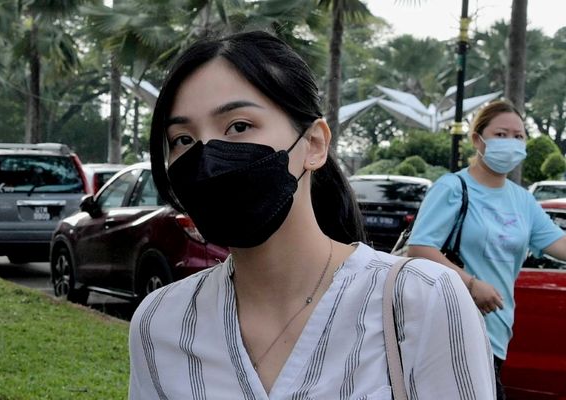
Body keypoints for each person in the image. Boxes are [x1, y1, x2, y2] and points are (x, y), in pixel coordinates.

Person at [129, 30, 495, 399]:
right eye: (183, 139)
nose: (207, 158)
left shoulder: (422, 299)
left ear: (315, 145)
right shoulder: (160, 322)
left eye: (239, 126)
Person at [407, 99, 566, 400]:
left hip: (497, 331)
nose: (511, 143)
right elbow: (419, 248)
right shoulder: (453, 187)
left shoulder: (523, 200)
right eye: (501, 135)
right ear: (477, 139)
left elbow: (558, 243)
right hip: (450, 327)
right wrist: (471, 284)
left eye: (518, 136)